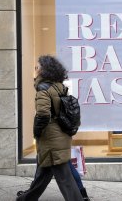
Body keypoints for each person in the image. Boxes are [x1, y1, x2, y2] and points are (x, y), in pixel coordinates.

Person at [16, 55, 83, 201]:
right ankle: (26, 199)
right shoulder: (58, 86)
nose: (36, 69)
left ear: (44, 70)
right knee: (43, 173)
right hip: (61, 134)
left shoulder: (43, 88)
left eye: (37, 67)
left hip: (51, 138)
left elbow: (43, 114)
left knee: (65, 178)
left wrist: (37, 132)